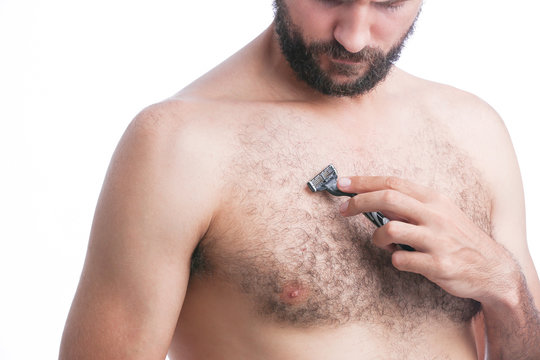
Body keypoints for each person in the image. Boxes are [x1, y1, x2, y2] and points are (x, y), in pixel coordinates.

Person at [59, 0, 540, 359]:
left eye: (389, 2)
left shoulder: (474, 130)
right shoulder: (179, 144)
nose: (354, 37)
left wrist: (506, 288)